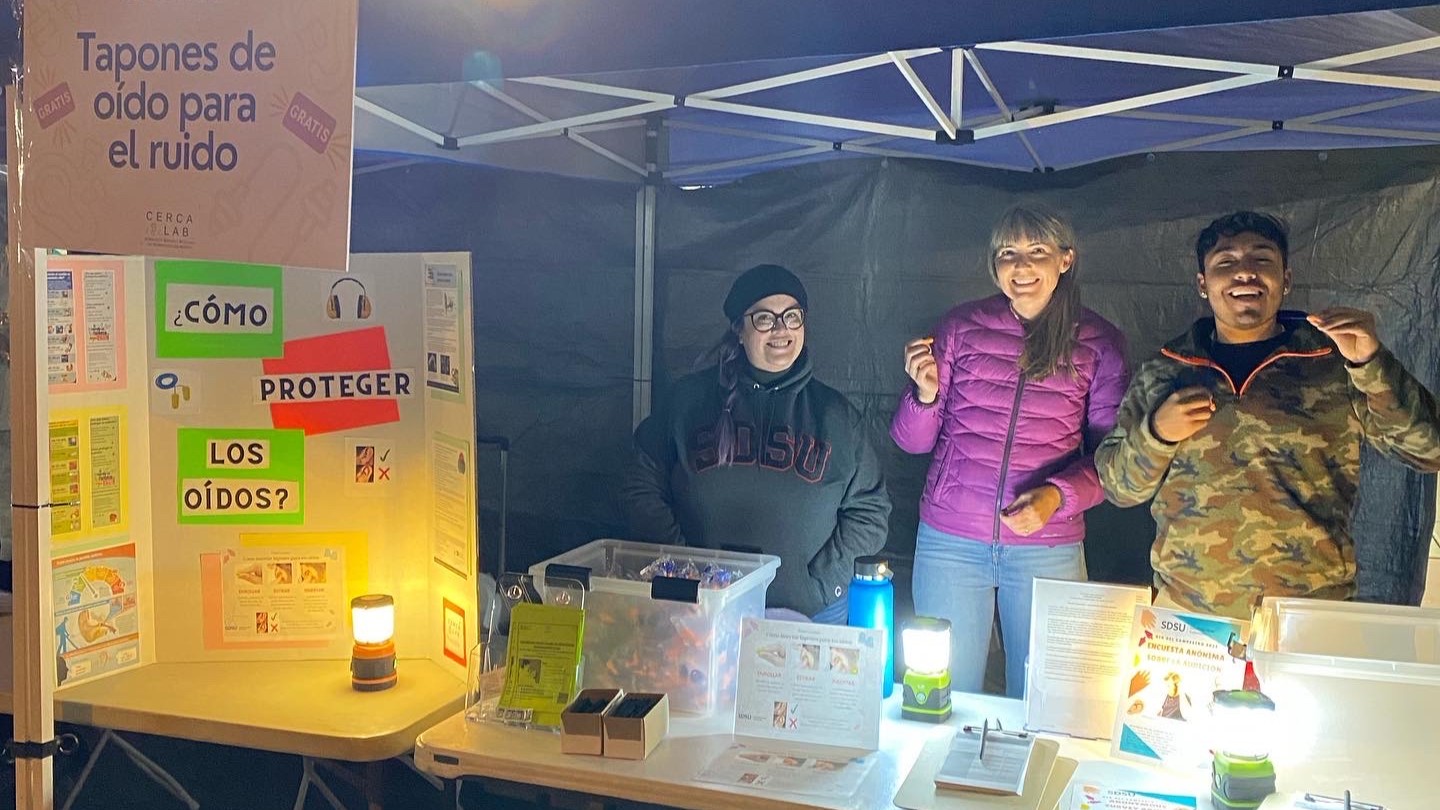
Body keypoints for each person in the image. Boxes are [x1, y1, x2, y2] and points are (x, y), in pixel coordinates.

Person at [1096, 211, 1440, 619]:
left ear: (1286, 279)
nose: (1244, 273)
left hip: (1309, 611)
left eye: (1262, 259)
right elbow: (1119, 487)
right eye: (1226, 262)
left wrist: (1370, 362)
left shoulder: (1333, 361)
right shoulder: (1167, 368)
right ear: (1203, 285)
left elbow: (1429, 450)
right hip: (1190, 613)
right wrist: (1157, 434)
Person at [891, 205, 1128, 698]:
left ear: (1065, 259)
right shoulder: (961, 326)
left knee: (1047, 700)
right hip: (951, 540)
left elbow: (1116, 459)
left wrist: (1056, 497)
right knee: (940, 692)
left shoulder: (1099, 342)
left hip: (1048, 545)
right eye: (1008, 254)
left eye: (1036, 252)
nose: (1021, 267)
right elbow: (911, 442)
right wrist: (926, 395)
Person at [622, 264, 891, 622]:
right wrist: (684, 569)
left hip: (806, 616)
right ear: (738, 328)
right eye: (764, 318)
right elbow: (640, 483)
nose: (781, 329)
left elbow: (870, 512)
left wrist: (822, 586)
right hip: (695, 610)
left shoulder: (836, 416)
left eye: (792, 316)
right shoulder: (688, 402)